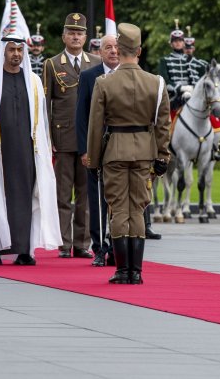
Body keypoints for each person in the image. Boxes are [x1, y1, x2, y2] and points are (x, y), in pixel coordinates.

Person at [0, 28, 62, 265]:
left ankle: (24, 250)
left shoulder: (34, 81)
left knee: (25, 198)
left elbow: (43, 120)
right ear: (4, 52)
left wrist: (46, 147)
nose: (16, 54)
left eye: (20, 50)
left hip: (26, 151)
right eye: (12, 50)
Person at [86, 23, 171, 284]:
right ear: (140, 51)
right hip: (145, 151)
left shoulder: (104, 82)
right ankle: (137, 271)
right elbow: (163, 123)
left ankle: (123, 271)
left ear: (119, 50)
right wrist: (162, 156)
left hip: (115, 152)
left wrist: (94, 158)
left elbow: (95, 125)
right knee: (138, 208)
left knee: (118, 209)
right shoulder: (156, 83)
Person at [43, 13, 101, 259]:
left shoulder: (96, 63)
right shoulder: (52, 64)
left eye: (79, 33)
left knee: (86, 194)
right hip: (63, 137)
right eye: (71, 33)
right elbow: (46, 105)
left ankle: (82, 243)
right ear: (63, 36)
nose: (75, 37)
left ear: (86, 37)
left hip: (89, 136)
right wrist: (47, 140)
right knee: (63, 194)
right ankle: (64, 243)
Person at [77, 34, 119, 267]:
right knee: (97, 200)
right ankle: (99, 248)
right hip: (96, 149)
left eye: (116, 47)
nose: (113, 51)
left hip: (121, 149)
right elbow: (81, 116)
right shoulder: (88, 77)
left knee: (119, 201)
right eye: (108, 48)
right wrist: (84, 149)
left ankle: (116, 246)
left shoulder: (129, 76)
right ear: (100, 52)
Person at [184, 25, 220, 162]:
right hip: (181, 97)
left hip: (199, 99)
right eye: (186, 47)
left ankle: (215, 147)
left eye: (190, 48)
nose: (188, 50)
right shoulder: (175, 62)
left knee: (216, 121)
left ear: (193, 48)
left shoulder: (202, 64)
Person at [157, 19, 192, 113]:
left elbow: (194, 78)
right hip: (172, 96)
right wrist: (181, 88)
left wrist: (191, 88)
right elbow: (165, 81)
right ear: (171, 43)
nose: (178, 42)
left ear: (184, 43)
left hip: (191, 94)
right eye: (175, 40)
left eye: (180, 40)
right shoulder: (164, 60)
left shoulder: (190, 60)